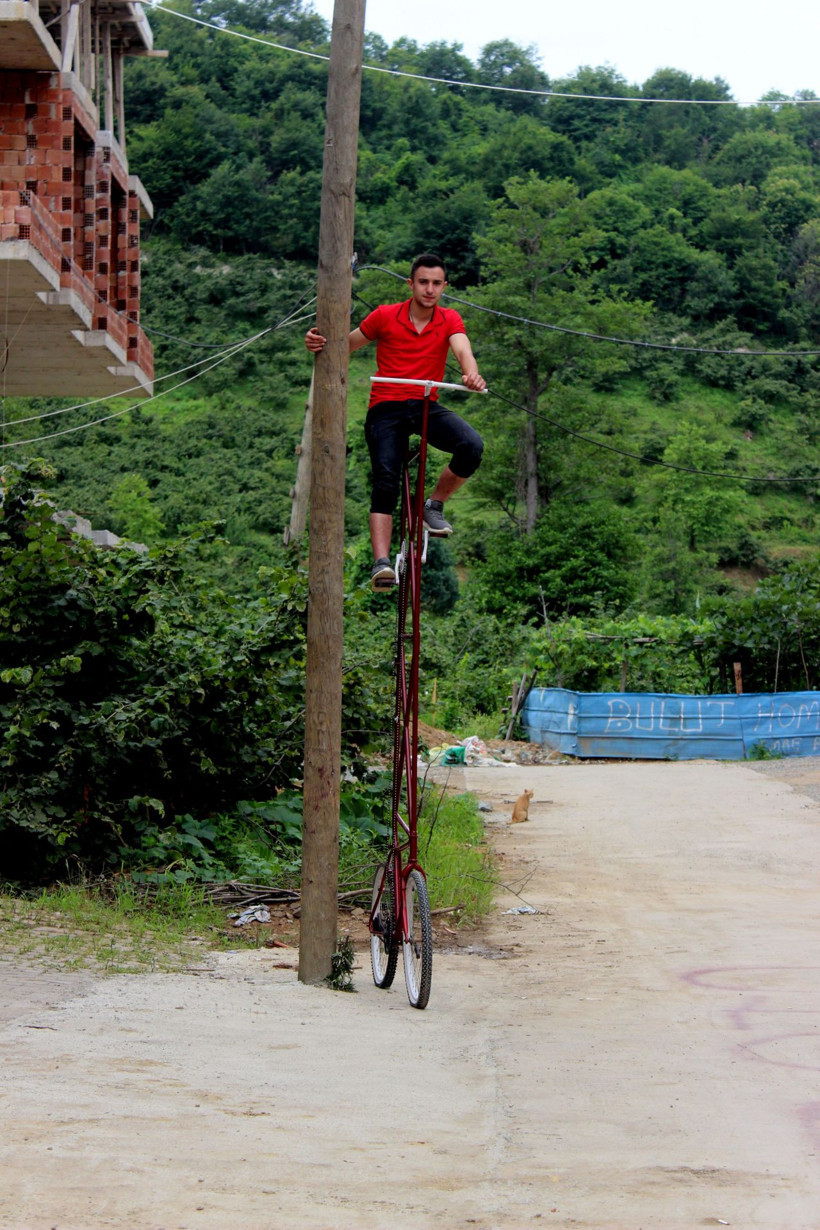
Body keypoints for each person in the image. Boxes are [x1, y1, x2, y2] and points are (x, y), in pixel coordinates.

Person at [305, 253, 486, 590]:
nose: (429, 289)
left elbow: (463, 350)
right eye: (423, 282)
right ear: (411, 284)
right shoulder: (386, 316)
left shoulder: (449, 319)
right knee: (386, 478)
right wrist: (318, 342)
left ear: (444, 287)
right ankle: (382, 563)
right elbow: (345, 346)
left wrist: (471, 373)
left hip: (424, 404)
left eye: (436, 283)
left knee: (471, 446)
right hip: (386, 407)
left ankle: (433, 505)